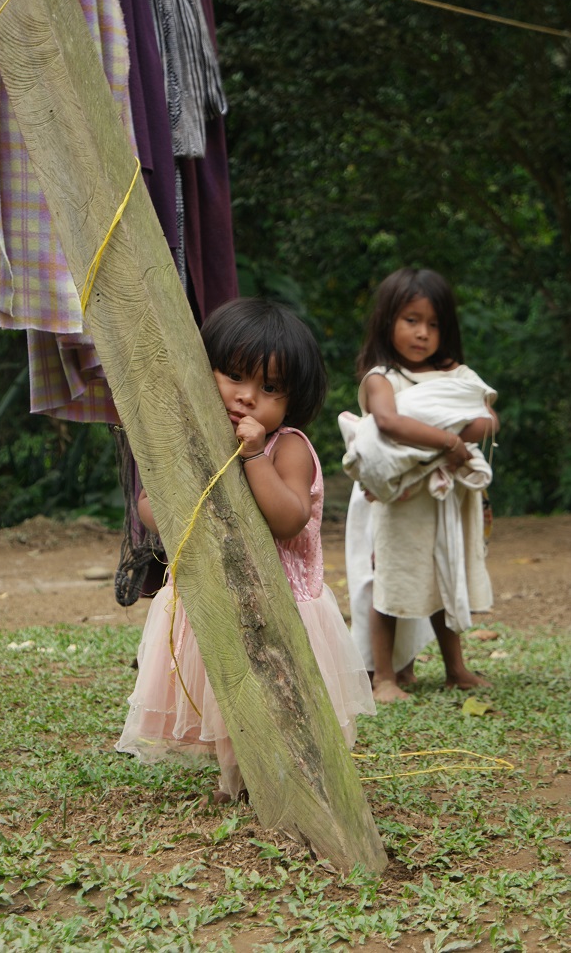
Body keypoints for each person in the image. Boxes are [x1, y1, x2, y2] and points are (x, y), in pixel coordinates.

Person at [116, 298, 376, 800]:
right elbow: (151, 508)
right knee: (228, 691)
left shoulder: (288, 447)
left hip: (279, 604)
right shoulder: (189, 438)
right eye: (233, 376)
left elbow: (288, 518)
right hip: (212, 597)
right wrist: (176, 499)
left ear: (292, 399)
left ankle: (282, 779)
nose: (247, 397)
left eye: (270, 388)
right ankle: (234, 778)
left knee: (282, 698)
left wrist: (254, 454)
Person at [341, 268, 499, 704]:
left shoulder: (454, 375)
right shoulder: (381, 377)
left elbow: (487, 419)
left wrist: (443, 432)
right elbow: (389, 425)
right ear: (387, 319)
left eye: (433, 324)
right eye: (412, 320)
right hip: (398, 499)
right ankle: (385, 677)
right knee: (390, 578)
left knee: (442, 574)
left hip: (443, 499)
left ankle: (456, 669)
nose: (423, 333)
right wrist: (448, 438)